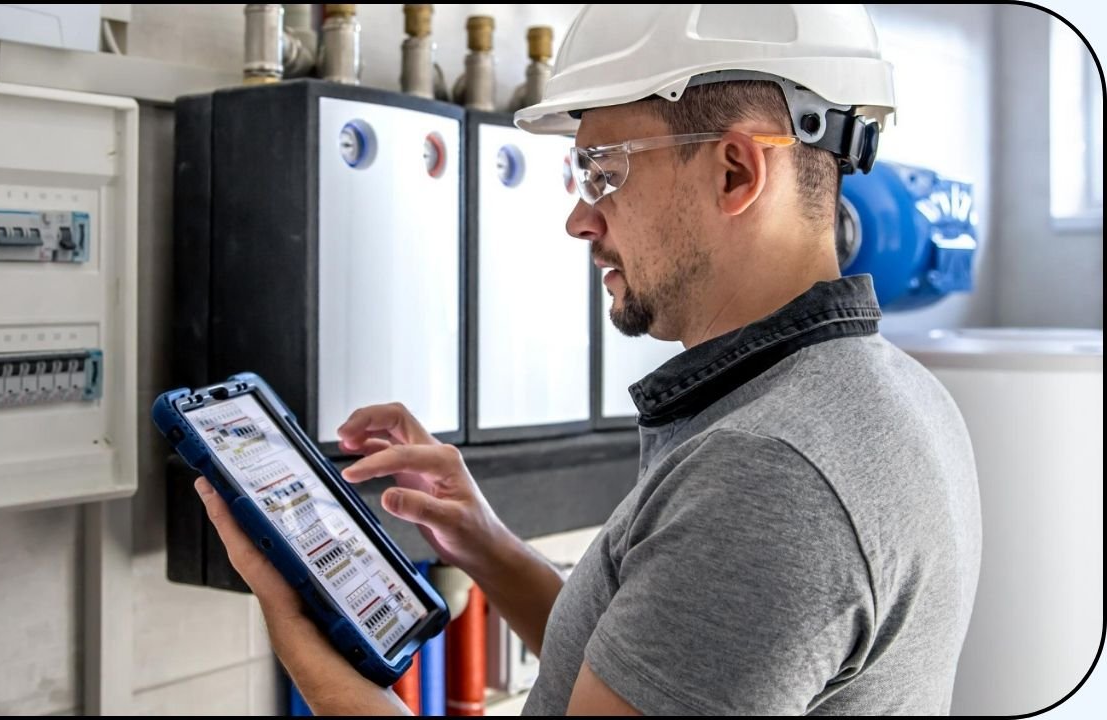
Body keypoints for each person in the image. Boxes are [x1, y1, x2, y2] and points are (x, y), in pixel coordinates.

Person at [195, 4, 982, 715]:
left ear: (736, 172)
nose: (579, 218)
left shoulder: (767, 472)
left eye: (605, 171)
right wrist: (487, 543)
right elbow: (663, 671)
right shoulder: (887, 390)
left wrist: (301, 635)